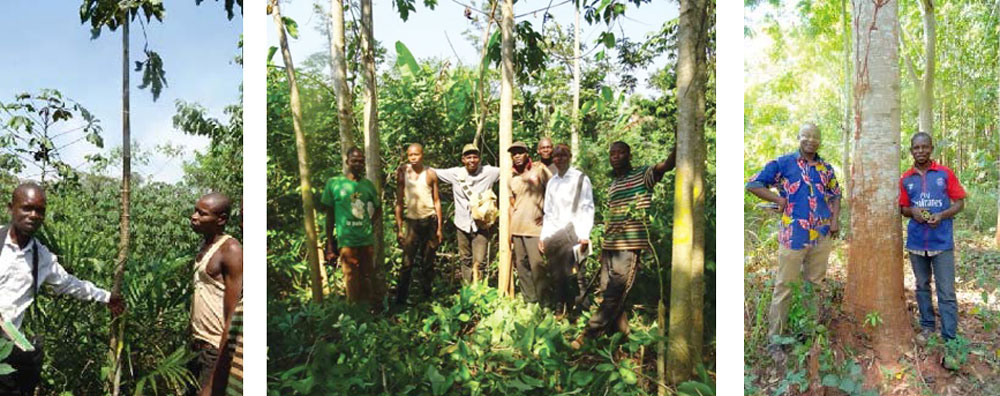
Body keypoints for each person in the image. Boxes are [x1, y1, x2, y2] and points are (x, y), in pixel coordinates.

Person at [0, 182, 124, 395]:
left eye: (39, 211)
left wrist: (106, 297)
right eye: (27, 208)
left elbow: (70, 284)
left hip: (6, 346)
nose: (33, 215)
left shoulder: (42, 257)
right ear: (11, 208)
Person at [744, 123, 841, 363]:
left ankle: (806, 335)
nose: (810, 140)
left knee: (814, 285)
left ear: (820, 141)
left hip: (821, 234)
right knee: (784, 286)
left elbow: (835, 194)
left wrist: (835, 221)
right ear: (799, 137)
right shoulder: (784, 163)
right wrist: (779, 199)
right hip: (793, 235)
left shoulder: (825, 168)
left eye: (815, 137)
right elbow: (753, 184)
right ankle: (775, 342)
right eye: (806, 136)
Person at [570, 141, 674, 347]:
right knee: (607, 291)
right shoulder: (614, 185)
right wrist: (603, 249)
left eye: (620, 153)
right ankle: (625, 336)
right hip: (610, 246)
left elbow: (667, 166)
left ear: (629, 155)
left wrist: (679, 144)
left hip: (629, 245)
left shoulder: (643, 175)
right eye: (612, 153)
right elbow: (611, 218)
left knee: (614, 292)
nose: (615, 156)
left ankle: (589, 334)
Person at [899, 132, 965, 345]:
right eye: (916, 148)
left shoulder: (944, 174)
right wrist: (913, 212)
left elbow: (959, 202)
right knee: (921, 286)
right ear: (911, 151)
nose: (920, 151)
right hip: (917, 242)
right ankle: (927, 326)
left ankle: (949, 337)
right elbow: (903, 207)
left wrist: (942, 215)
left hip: (942, 242)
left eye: (924, 147)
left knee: (946, 290)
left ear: (931, 149)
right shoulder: (906, 178)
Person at [189, 192, 243, 391]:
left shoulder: (231, 250)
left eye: (202, 214)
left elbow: (233, 314)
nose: (194, 217)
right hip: (198, 348)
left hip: (215, 350)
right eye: (195, 211)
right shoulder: (206, 245)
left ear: (221, 219)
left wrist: (216, 375)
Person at [539, 144, 594, 314]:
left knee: (578, 276)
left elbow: (587, 207)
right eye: (556, 156)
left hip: (575, 233)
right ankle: (561, 308)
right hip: (555, 235)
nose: (559, 159)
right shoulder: (552, 182)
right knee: (558, 275)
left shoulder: (580, 178)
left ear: (569, 156)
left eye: (563, 155)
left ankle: (581, 311)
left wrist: (584, 235)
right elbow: (548, 212)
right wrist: (544, 236)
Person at [322, 147, 380, 304]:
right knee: (350, 276)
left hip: (366, 240)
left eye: (361, 161)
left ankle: (369, 310)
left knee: (367, 275)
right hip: (346, 240)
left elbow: (378, 208)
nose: (358, 164)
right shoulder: (334, 184)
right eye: (354, 160)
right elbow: (329, 215)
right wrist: (329, 243)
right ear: (347, 161)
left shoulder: (367, 185)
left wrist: (370, 223)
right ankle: (353, 309)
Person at [434, 144, 500, 283]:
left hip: (482, 225)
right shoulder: (456, 174)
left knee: (480, 261)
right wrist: (409, 168)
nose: (472, 160)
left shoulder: (489, 172)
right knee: (465, 259)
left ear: (479, 159)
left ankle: (479, 290)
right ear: (463, 159)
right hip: (462, 224)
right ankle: (467, 288)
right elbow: (432, 172)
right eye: (468, 157)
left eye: (475, 157)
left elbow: (510, 169)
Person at [393, 143, 444, 304]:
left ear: (423, 154)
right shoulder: (403, 173)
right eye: (410, 155)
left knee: (428, 262)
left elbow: (437, 201)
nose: (413, 158)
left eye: (416, 154)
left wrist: (439, 228)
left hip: (429, 221)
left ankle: (427, 298)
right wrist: (400, 228)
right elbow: (399, 202)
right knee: (407, 262)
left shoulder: (430, 174)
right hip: (412, 223)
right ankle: (401, 299)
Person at [508, 141, 550, 303]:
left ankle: (545, 302)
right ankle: (530, 301)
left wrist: (547, 216)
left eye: (520, 153)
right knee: (522, 266)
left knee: (537, 266)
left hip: (535, 228)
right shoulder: (511, 177)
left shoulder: (539, 170)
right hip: (517, 228)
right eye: (514, 154)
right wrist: (510, 233)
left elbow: (553, 192)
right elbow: (512, 205)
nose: (517, 156)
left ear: (527, 154)